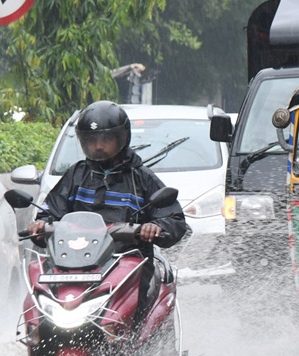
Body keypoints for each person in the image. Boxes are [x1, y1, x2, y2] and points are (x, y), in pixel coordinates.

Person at [28, 100, 188, 317]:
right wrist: (41, 225)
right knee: (42, 305)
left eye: (106, 139)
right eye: (91, 140)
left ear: (122, 137)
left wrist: (155, 227)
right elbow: (51, 211)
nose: (98, 146)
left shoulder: (141, 178)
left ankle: (133, 345)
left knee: (134, 314)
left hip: (126, 263)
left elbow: (174, 219)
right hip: (75, 263)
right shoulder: (76, 175)